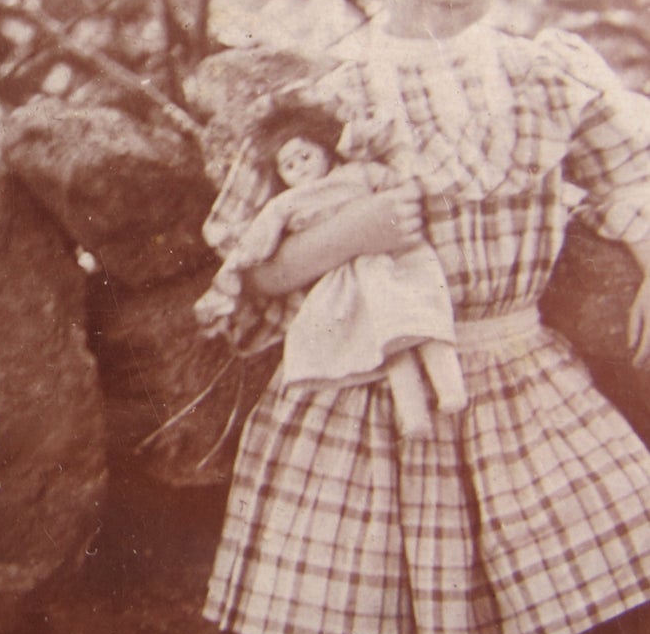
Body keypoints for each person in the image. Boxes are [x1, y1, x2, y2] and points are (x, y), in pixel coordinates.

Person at [198, 0, 650, 634]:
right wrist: (344, 233)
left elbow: (633, 166)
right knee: (305, 593)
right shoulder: (329, 95)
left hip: (510, 356)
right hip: (362, 377)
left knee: (625, 517)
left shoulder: (540, 75)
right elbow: (248, 260)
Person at [194, 97, 465, 439]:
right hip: (353, 279)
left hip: (396, 260)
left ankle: (450, 386)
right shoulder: (287, 202)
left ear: (324, 151)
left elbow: (400, 183)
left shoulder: (357, 172)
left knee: (422, 317)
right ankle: (413, 414)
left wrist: (403, 198)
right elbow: (252, 246)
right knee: (386, 336)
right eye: (289, 166)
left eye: (305, 156)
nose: (301, 168)